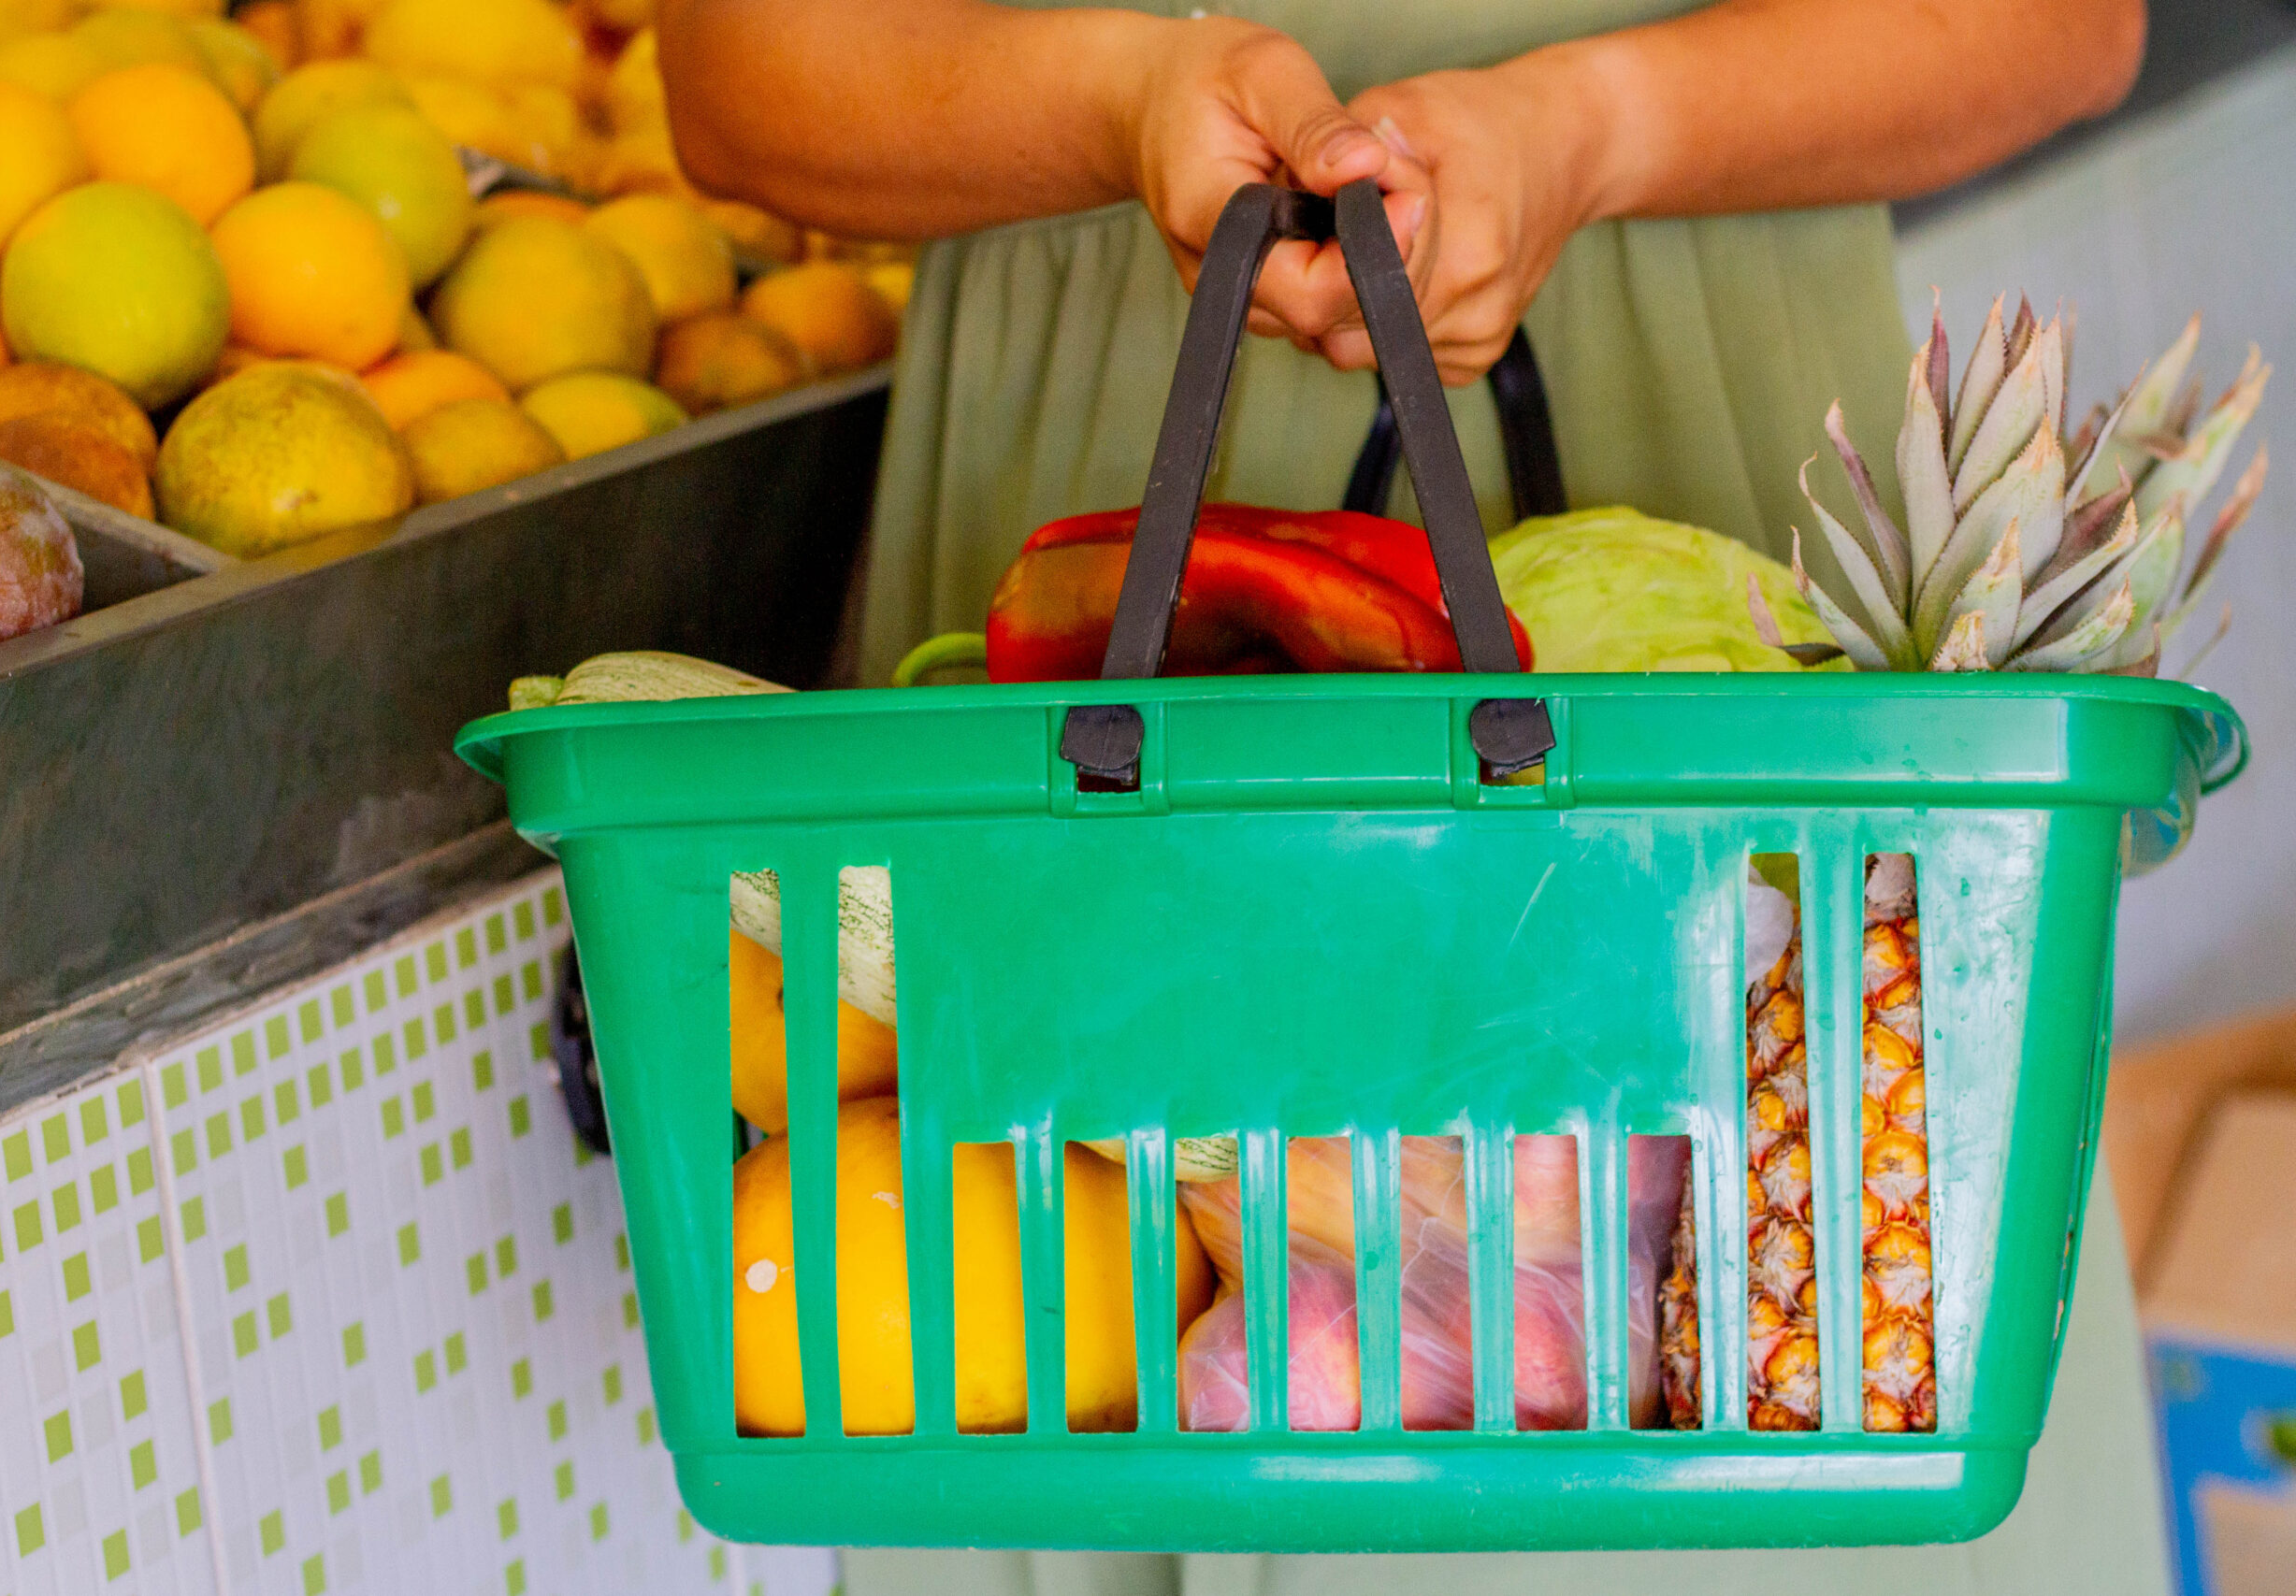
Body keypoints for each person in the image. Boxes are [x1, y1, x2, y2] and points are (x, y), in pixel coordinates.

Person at [656, 4, 2170, 1594]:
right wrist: (1109, 102)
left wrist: (1601, 132)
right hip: (1110, 455)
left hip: (1709, 372)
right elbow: (748, 83)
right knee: (1067, 1350)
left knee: (1777, 1383)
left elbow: (2061, 25)